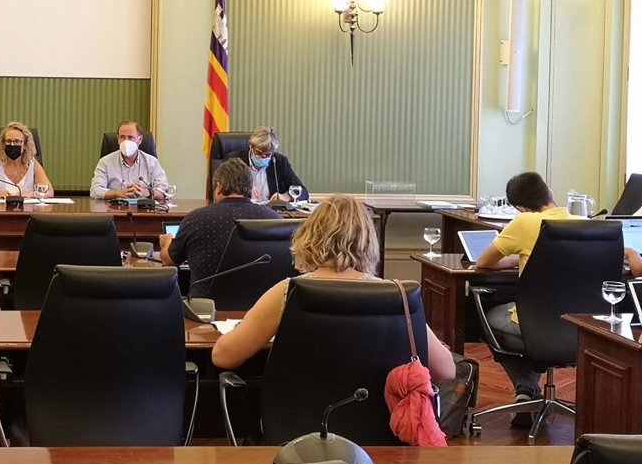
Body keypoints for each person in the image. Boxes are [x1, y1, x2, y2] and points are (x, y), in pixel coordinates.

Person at [211, 195, 455, 382]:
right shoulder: (397, 297)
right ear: (368, 241)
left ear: (309, 236)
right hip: (380, 426)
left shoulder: (288, 292)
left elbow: (223, 356)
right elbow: (447, 371)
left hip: (296, 422)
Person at [473, 171, 575, 424]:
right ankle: (527, 391)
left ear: (521, 208)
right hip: (581, 329)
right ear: (549, 192)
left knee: (483, 317)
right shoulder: (584, 222)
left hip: (536, 325)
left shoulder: (525, 222)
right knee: (525, 315)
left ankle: (526, 389)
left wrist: (515, 258)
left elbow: (484, 262)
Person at [159, 158, 274, 298]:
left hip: (205, 308)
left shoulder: (196, 219)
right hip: (263, 306)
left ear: (219, 187)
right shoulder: (274, 219)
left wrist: (167, 242)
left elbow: (168, 261)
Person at [225, 126, 309, 204]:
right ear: (250, 145)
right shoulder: (233, 161)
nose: (263, 157)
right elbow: (222, 191)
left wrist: (286, 197)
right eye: (259, 153)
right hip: (243, 210)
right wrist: (244, 191)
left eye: (268, 154)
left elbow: (302, 191)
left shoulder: (279, 161)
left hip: (271, 212)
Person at [90, 120, 169, 201]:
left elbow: (164, 190)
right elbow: (95, 191)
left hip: (143, 208)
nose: (126, 141)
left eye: (130, 137)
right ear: (118, 139)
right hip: (114, 207)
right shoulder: (105, 162)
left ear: (140, 139)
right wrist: (120, 193)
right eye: (122, 137)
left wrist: (147, 193)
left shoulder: (152, 162)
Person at [0, 122, 53, 199]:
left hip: (27, 207)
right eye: (8, 141)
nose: (12, 145)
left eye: (17, 141)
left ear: (25, 145)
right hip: (0, 207)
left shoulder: (33, 164)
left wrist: (32, 194)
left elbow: (49, 192)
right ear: (3, 144)